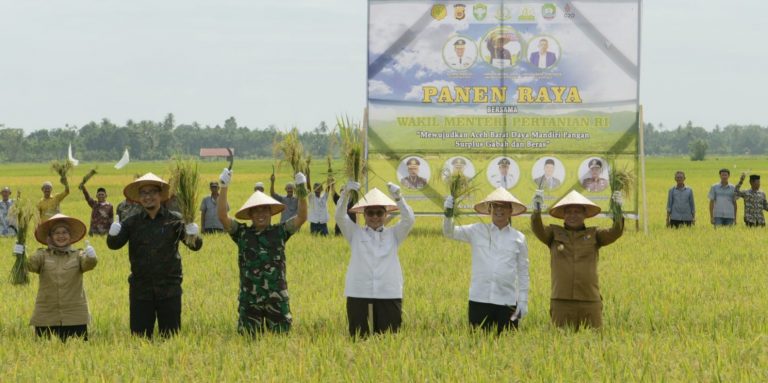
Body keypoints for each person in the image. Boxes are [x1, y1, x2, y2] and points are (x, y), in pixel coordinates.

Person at [106, 173, 203, 338]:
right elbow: (114, 245)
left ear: (160, 195)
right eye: (144, 193)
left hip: (169, 289)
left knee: (171, 338)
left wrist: (194, 234)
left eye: (152, 192)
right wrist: (112, 234)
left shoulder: (175, 220)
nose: (148, 197)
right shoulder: (131, 222)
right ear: (139, 197)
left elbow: (195, 246)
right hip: (140, 291)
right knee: (139, 340)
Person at [216, 168, 308, 334]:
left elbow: (301, 217)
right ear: (250, 214)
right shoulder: (242, 233)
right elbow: (223, 216)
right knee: (248, 343)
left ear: (271, 212)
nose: (261, 214)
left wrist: (301, 188)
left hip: (277, 300)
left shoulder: (280, 232)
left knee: (280, 345)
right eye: (256, 210)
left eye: (264, 209)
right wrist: (223, 186)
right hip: (250, 301)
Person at [531, 190, 623, 329]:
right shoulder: (553, 233)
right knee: (561, 344)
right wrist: (536, 210)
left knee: (593, 344)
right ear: (563, 215)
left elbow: (615, 232)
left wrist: (618, 210)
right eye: (568, 212)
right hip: (561, 300)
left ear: (585, 214)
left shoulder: (594, 234)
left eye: (577, 211)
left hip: (589, 300)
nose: (573, 215)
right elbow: (538, 229)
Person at [443, 188, 529, 334]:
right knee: (478, 344)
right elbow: (449, 232)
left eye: (503, 206)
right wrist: (448, 213)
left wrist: (523, 300)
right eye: (495, 206)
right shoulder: (477, 230)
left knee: (508, 346)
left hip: (507, 301)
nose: (499, 210)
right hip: (479, 299)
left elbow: (523, 271)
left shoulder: (518, 238)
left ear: (510, 210)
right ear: (490, 209)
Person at [336, 181, 415, 337]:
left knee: (389, 340)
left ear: (385, 215)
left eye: (379, 213)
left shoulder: (394, 234)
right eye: (370, 213)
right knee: (359, 338)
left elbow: (409, 220)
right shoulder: (355, 233)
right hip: (359, 292)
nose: (375, 217)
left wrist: (398, 197)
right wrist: (345, 194)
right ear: (364, 215)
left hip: (388, 293)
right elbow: (339, 216)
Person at [15, 214, 97, 341]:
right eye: (56, 233)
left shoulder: (78, 255)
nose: (61, 236)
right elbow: (30, 265)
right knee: (43, 355)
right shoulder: (42, 255)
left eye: (64, 232)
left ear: (70, 237)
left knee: (76, 354)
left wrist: (92, 257)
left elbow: (88, 264)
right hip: (46, 315)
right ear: (50, 237)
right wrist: (21, 255)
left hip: (74, 316)